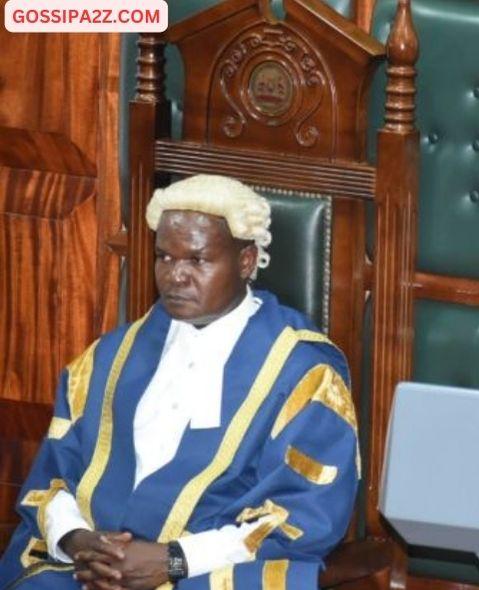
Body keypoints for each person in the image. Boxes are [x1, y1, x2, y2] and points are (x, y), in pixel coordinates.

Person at [0, 175, 358, 589]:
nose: (175, 277)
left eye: (197, 260)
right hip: (90, 568)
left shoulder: (303, 374)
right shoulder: (108, 358)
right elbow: (53, 476)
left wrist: (173, 561)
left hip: (208, 572)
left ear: (245, 261)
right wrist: (80, 542)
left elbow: (304, 518)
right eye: (165, 258)